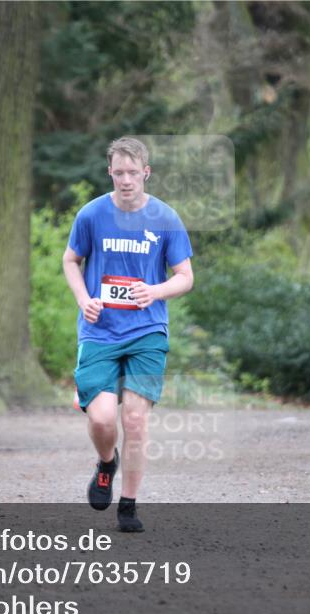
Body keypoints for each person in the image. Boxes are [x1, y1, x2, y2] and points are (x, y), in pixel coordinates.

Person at [62, 137, 194, 533]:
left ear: (146, 173)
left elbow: (185, 277)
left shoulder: (165, 217)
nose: (125, 180)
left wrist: (155, 291)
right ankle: (106, 464)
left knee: (134, 420)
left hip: (147, 331)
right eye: (118, 172)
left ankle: (129, 505)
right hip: (99, 331)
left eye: (132, 173)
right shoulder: (91, 214)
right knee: (103, 419)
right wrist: (83, 299)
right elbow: (71, 260)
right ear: (110, 172)